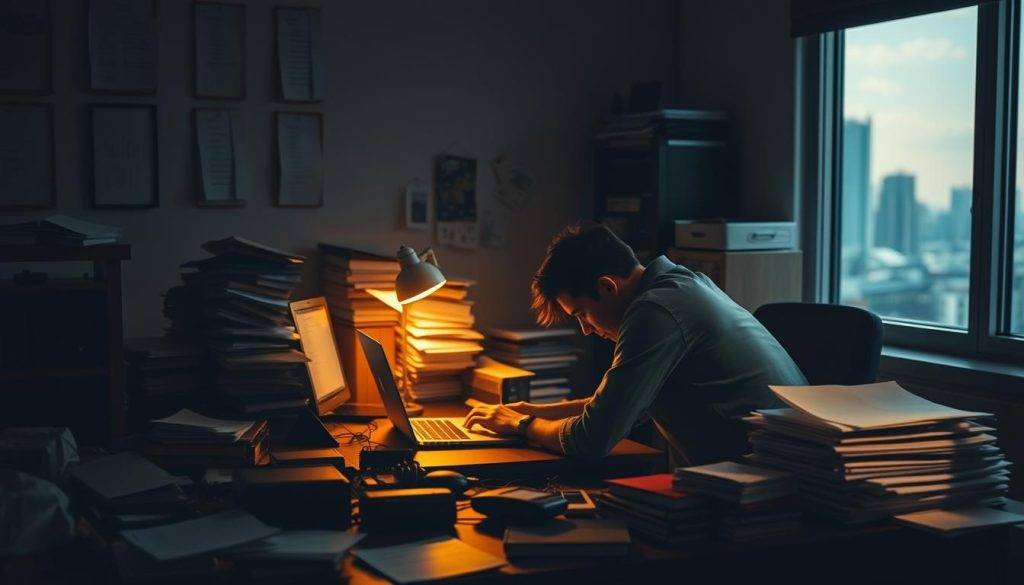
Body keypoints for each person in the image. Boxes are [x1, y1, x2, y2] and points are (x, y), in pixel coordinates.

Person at [463, 221, 807, 464]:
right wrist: (532, 411)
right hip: (774, 473)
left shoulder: (655, 312)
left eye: (581, 313)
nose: (585, 330)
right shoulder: (683, 284)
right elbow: (615, 406)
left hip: (766, 493)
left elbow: (592, 439)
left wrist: (521, 426)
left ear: (607, 287)